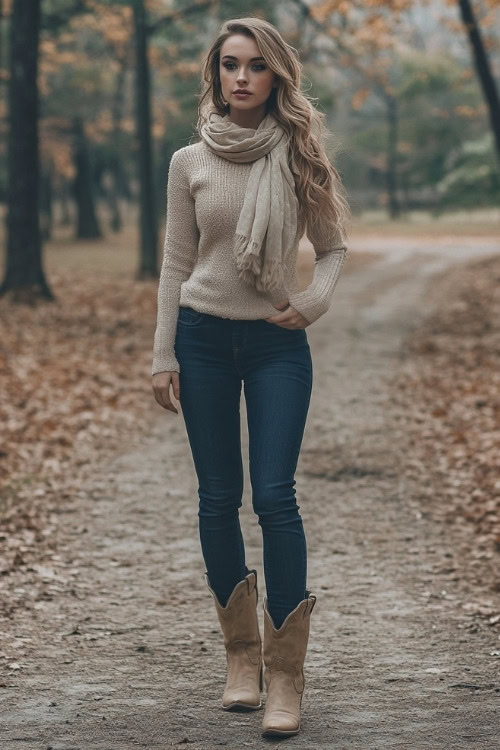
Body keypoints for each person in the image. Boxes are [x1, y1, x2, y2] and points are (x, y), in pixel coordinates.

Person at [151, 16, 350, 738]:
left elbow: (331, 249)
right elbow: (176, 262)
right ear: (216, 74)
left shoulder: (298, 154)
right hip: (201, 338)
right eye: (230, 64)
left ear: (276, 78)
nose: (242, 77)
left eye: (256, 66)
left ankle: (287, 677)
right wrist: (162, 353)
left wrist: (311, 302)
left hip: (274, 346)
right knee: (216, 498)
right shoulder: (188, 161)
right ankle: (242, 660)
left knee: (274, 496)